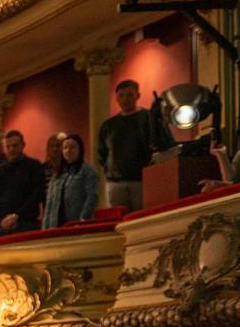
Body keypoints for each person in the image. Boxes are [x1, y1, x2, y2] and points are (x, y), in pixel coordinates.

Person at [98, 78, 168, 211]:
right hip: (116, 182)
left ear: (137, 96)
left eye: (130, 95)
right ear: (116, 98)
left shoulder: (149, 118)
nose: (125, 99)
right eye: (121, 96)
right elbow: (102, 152)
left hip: (142, 180)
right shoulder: (108, 125)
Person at [41, 132, 101, 228]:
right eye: (65, 148)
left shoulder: (88, 171)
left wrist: (83, 220)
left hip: (77, 223)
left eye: (72, 147)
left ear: (80, 149)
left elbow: (92, 198)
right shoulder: (58, 174)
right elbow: (49, 203)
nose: (68, 151)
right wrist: (45, 228)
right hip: (55, 224)